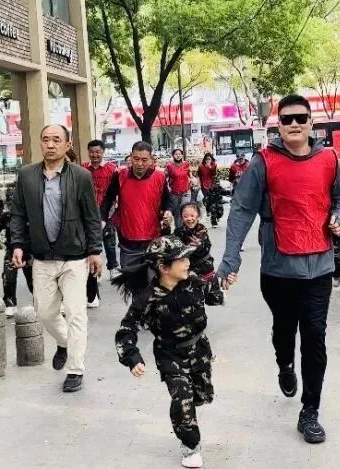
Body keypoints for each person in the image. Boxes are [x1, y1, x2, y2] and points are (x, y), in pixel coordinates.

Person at [218, 94, 340, 444]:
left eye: (300, 118)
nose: (294, 124)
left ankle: (310, 411)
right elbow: (242, 210)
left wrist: (338, 217)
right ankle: (284, 365)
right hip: (278, 269)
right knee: (284, 329)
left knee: (315, 337)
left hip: (319, 267)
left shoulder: (329, 159)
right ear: (278, 125)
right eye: (287, 119)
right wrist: (230, 259)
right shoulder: (263, 162)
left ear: (310, 123)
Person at [115, 236, 224, 468]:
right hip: (170, 355)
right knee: (182, 397)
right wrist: (132, 357)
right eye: (181, 260)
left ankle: (190, 409)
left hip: (200, 349)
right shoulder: (148, 298)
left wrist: (219, 281)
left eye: (187, 258)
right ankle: (191, 446)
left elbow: (215, 298)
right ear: (164, 268)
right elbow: (126, 330)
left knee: (201, 396)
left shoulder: (194, 281)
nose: (187, 263)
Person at [9, 124, 103, 393]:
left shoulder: (81, 176)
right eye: (45, 140)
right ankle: (64, 342)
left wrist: (95, 251)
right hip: (42, 258)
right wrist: (18, 245)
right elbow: (18, 214)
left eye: (56, 140)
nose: (50, 145)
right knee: (45, 312)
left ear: (67, 144)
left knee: (76, 313)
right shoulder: (27, 176)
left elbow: (91, 217)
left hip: (75, 258)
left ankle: (75, 369)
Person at [102, 141, 174, 303]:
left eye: (144, 160)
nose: (140, 164)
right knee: (134, 285)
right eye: (136, 159)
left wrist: (168, 212)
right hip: (128, 240)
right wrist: (102, 219)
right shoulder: (120, 176)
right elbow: (108, 199)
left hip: (153, 239)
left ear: (151, 160)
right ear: (131, 157)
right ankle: (139, 311)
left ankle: (152, 311)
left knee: (154, 282)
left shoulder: (160, 177)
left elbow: (168, 201)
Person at [83, 139, 119, 304]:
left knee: (109, 240)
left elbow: (116, 191)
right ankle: (94, 272)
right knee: (91, 243)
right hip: (89, 211)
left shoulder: (112, 169)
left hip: (107, 210)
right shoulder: (83, 169)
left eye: (97, 152)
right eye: (92, 152)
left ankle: (113, 267)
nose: (95, 155)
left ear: (103, 152)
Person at [0, 195, 33, 317]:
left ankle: (39, 300)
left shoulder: (30, 215)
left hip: (29, 250)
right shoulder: (6, 217)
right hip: (12, 250)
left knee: (33, 278)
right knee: (8, 278)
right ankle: (10, 304)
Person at [174, 203, 222, 301]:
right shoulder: (179, 231)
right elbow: (172, 243)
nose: (189, 219)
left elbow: (205, 245)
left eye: (192, 215)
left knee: (213, 298)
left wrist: (199, 244)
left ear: (198, 216)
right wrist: (165, 228)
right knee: (190, 297)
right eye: (185, 216)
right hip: (188, 268)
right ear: (182, 218)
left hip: (204, 266)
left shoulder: (201, 229)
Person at [166, 148, 191, 228]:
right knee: (177, 213)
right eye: (176, 154)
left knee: (184, 211)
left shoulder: (186, 164)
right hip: (174, 193)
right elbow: (164, 177)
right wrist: (166, 187)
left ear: (182, 155)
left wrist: (193, 180)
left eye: (179, 154)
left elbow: (189, 174)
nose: (178, 155)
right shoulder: (169, 166)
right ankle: (178, 230)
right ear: (173, 155)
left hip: (185, 192)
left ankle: (185, 229)